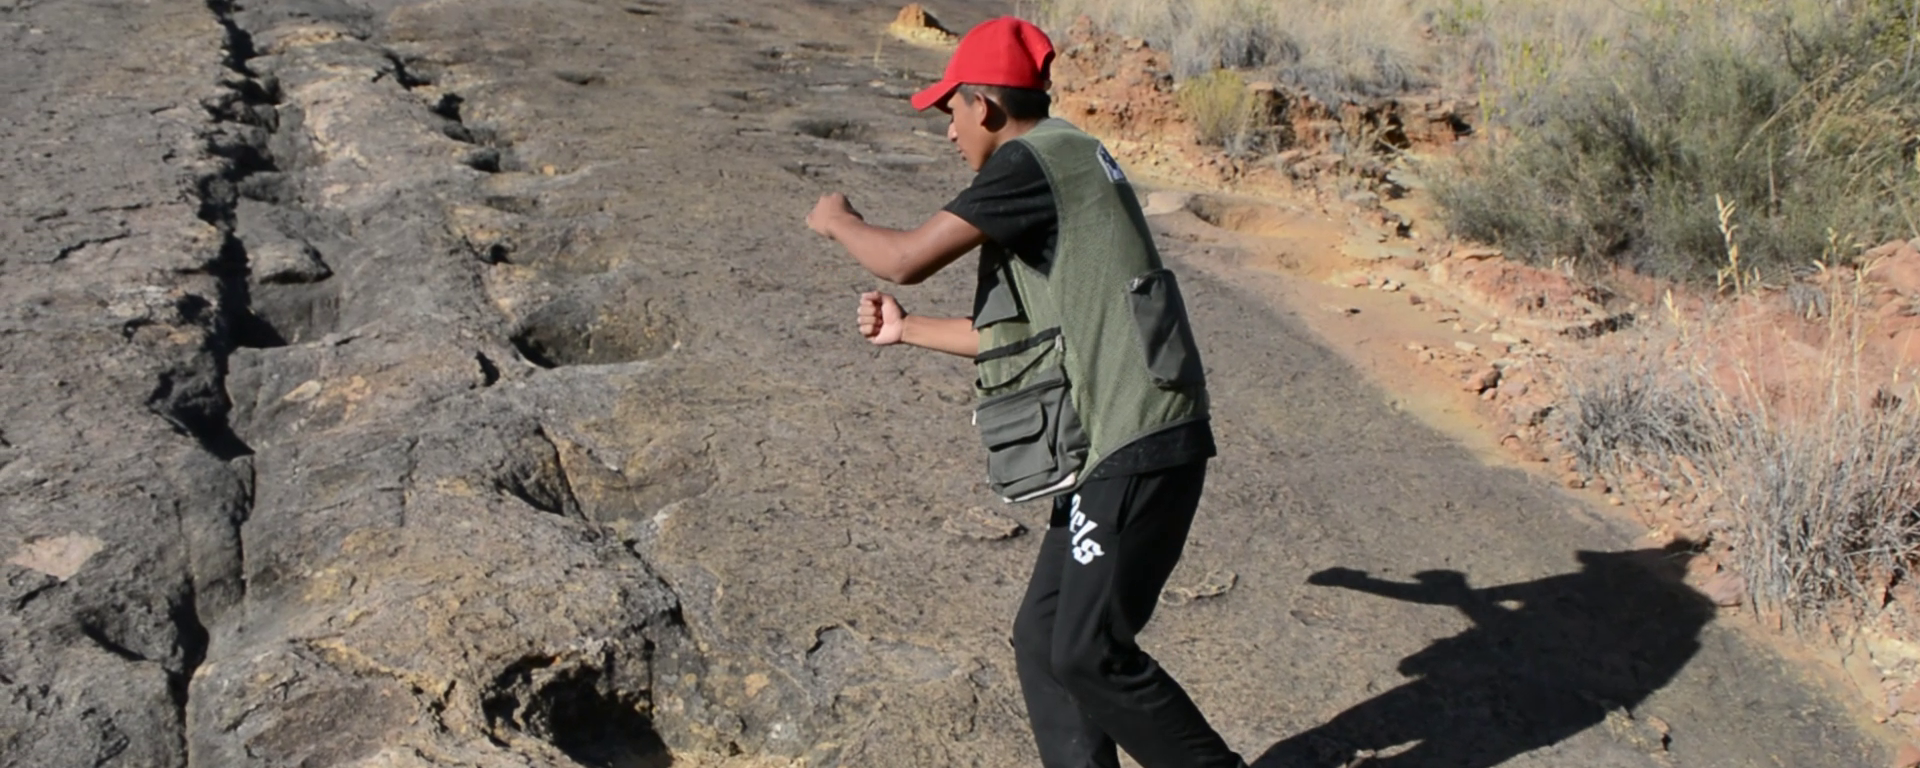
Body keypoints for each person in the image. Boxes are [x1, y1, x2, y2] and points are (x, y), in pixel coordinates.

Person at [804, 16, 1245, 768]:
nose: (947, 131)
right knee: (1045, 640)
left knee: (1087, 651)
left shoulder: (1032, 162)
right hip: (1117, 445)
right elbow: (1018, 337)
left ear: (984, 105)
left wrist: (837, 220)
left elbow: (905, 257)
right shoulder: (1065, 164)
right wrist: (906, 331)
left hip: (1137, 441)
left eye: (951, 110)